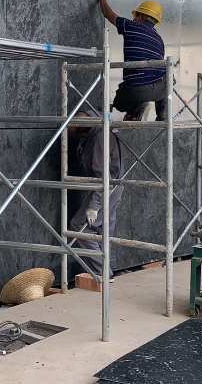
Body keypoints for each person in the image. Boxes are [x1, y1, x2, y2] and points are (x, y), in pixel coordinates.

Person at [97, 0, 168, 122]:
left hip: (139, 90)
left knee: (119, 101)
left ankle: (138, 108)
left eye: (135, 16)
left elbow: (108, 14)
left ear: (140, 17)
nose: (133, 18)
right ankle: (162, 116)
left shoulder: (131, 26)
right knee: (165, 76)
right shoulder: (159, 39)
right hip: (161, 90)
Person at [68, 111, 124, 277]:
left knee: (80, 227)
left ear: (83, 131)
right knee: (104, 229)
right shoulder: (95, 120)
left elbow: (103, 177)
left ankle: (102, 272)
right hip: (115, 184)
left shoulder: (99, 140)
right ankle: (105, 272)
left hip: (109, 187)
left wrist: (93, 206)